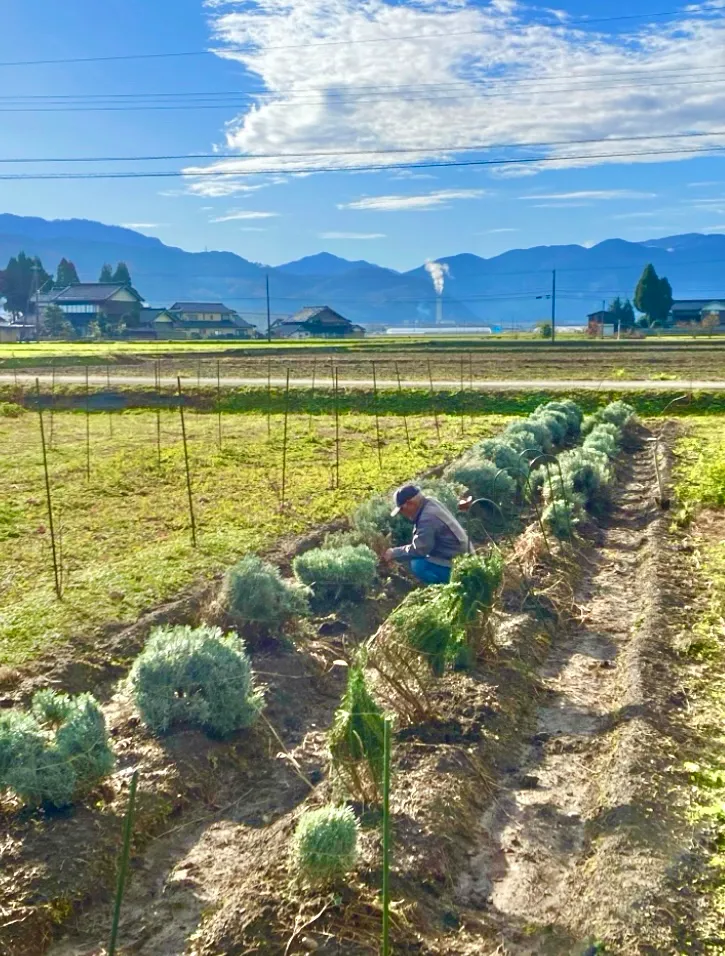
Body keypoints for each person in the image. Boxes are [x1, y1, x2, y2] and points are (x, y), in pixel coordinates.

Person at [383, 483, 472, 584]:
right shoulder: (430, 502)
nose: (402, 514)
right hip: (462, 555)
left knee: (418, 564)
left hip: (461, 564)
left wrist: (394, 553)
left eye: (402, 509)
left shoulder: (427, 518)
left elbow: (420, 549)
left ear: (410, 503)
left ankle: (447, 586)